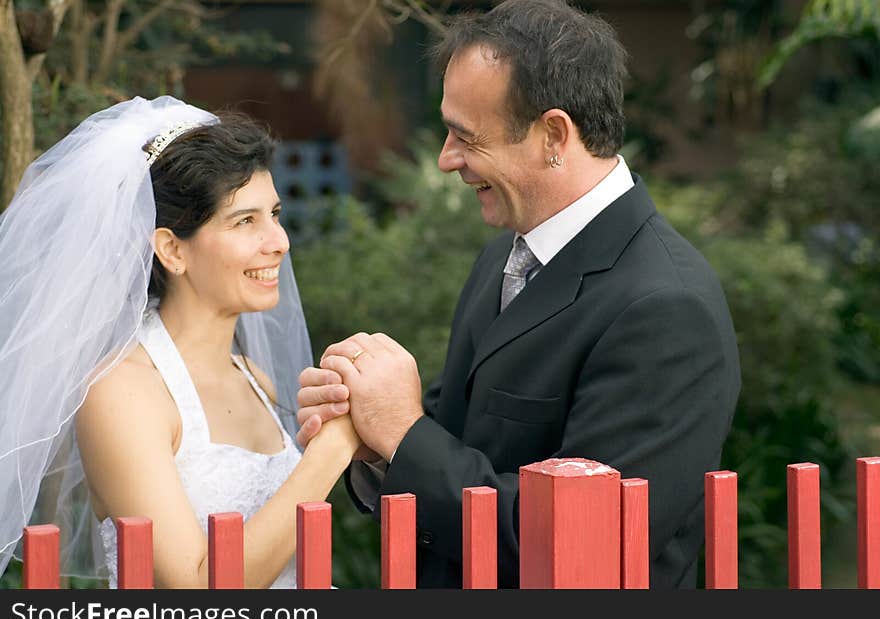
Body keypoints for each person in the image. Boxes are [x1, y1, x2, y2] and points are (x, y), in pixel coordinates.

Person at [296, 0, 741, 589]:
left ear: (553, 135)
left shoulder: (665, 308)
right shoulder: (504, 256)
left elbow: (585, 551)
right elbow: (463, 441)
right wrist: (372, 440)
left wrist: (402, 432)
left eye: (465, 136)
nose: (445, 158)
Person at [0, 96, 361, 588]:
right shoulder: (122, 393)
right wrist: (333, 448)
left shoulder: (254, 378)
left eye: (274, 215)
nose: (279, 241)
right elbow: (193, 591)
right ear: (171, 249)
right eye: (245, 221)